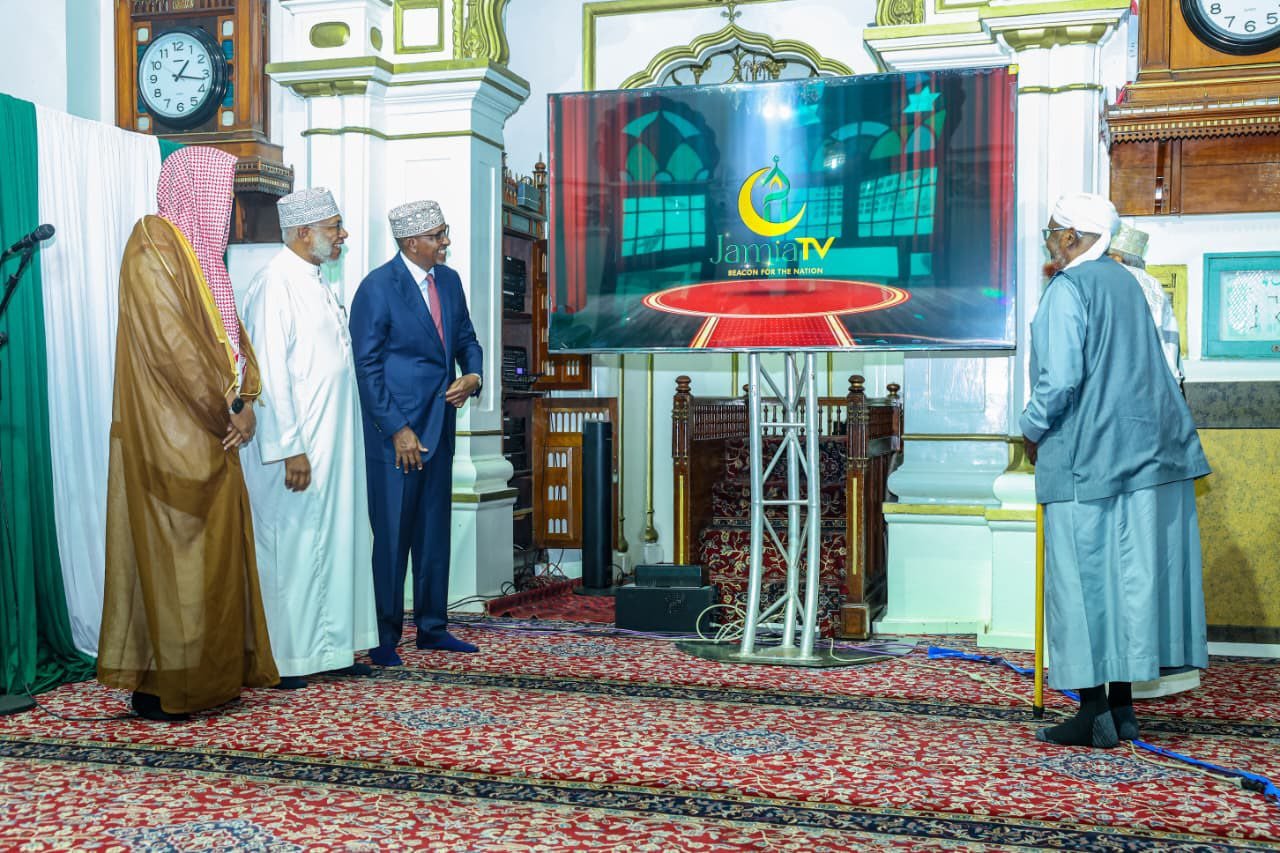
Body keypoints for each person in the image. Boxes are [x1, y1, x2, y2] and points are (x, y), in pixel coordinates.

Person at [1021, 192, 1211, 748]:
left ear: (1075, 238)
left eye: (1053, 231)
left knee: (1080, 587)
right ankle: (1124, 711)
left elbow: (1059, 382)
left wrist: (1028, 429)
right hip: (1145, 459)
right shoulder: (1132, 284)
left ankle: (1093, 714)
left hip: (1086, 460)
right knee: (1129, 584)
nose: (1049, 240)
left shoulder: (1068, 289)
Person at [98, 146, 278, 721]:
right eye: (222, 198)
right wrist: (225, 407)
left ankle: (211, 680)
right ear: (192, 192)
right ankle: (163, 687)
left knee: (213, 564)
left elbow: (235, 345)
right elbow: (175, 351)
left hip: (216, 434)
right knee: (172, 560)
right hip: (171, 435)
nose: (228, 211)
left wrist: (246, 402)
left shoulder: (206, 262)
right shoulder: (151, 244)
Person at [240, 187, 379, 689]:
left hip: (333, 445)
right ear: (303, 232)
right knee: (294, 550)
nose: (343, 236)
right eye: (334, 227)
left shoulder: (314, 279)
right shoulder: (275, 283)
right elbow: (268, 376)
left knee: (338, 541)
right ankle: (287, 659)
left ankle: (331, 650)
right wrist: (289, 447)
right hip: (296, 451)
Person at [350, 200, 483, 665]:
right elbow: (366, 369)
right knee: (392, 539)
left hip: (440, 430)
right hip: (398, 439)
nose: (446, 241)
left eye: (444, 232)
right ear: (412, 242)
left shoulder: (448, 281)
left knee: (432, 535)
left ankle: (432, 627)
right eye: (438, 234)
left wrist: (474, 376)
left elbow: (466, 338)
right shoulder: (377, 288)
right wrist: (396, 430)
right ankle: (383, 638)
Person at [1107, 222, 1183, 389]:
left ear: (1116, 258)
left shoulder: (1110, 280)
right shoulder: (1152, 283)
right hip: (1155, 382)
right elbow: (1169, 342)